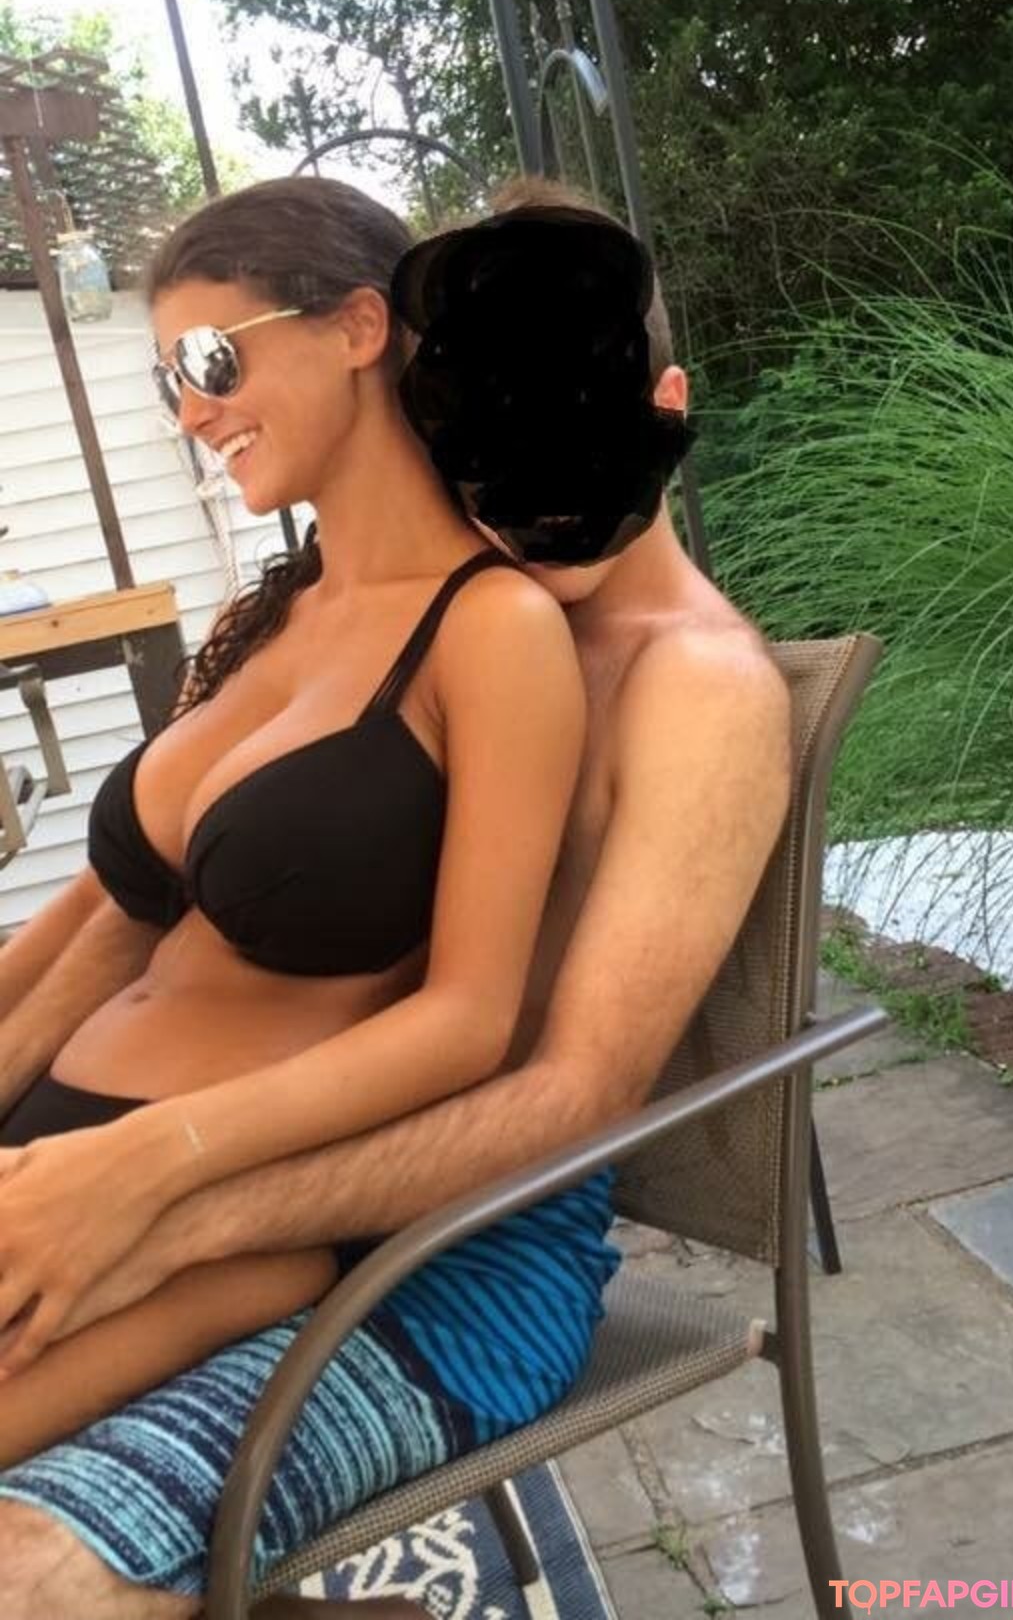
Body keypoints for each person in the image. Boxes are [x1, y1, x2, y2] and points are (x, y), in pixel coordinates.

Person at [0, 177, 793, 1620]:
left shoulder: (694, 688)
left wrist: (174, 1205)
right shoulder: (406, 615)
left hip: (457, 1264)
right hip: (275, 1184)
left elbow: (569, 1096)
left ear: (662, 412)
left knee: (31, 1577)